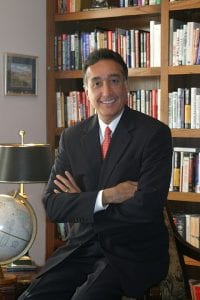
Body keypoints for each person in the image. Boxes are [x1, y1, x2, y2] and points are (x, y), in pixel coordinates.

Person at [18, 48, 172, 300]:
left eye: (114, 80)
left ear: (126, 85)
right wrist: (106, 196)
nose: (107, 92)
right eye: (97, 83)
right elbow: (53, 206)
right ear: (86, 91)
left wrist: (83, 203)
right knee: (32, 296)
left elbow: (146, 207)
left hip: (132, 252)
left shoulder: (154, 134)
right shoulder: (72, 137)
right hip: (81, 249)